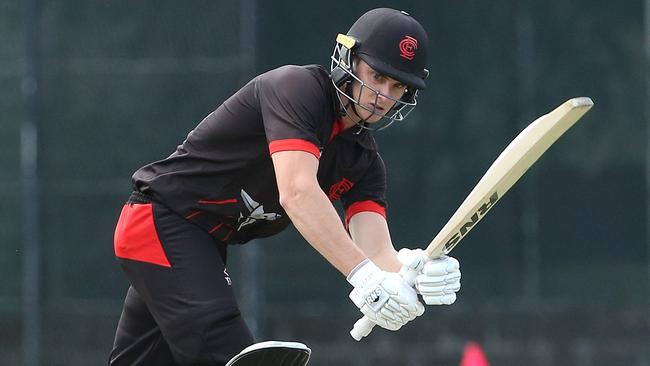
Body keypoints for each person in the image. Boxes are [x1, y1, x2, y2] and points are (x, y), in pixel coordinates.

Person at [109, 8, 462, 366]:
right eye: (377, 76)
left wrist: (411, 275)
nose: (383, 95)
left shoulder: (364, 161)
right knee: (226, 349)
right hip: (160, 221)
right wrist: (365, 277)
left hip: (201, 243)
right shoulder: (298, 89)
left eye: (398, 86)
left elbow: (376, 252)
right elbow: (297, 192)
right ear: (349, 60)